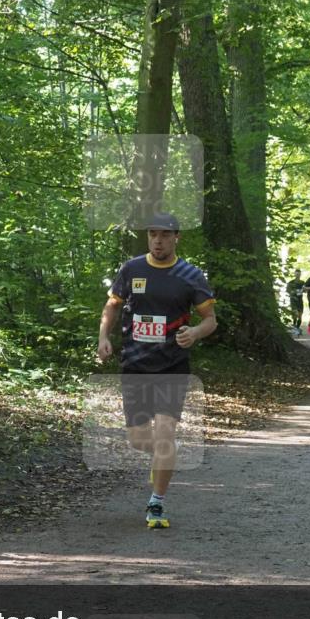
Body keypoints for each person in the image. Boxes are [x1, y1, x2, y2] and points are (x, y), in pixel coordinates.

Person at [98, 213, 217, 528]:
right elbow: (112, 305)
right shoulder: (132, 269)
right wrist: (103, 337)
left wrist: (195, 333)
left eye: (165, 235)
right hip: (135, 365)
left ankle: (156, 504)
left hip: (172, 365)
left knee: (164, 433)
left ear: (177, 237)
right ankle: (165, 456)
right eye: (153, 234)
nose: (158, 240)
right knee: (138, 439)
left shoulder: (190, 275)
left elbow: (210, 320)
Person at [286, 269, 305, 336]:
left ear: (300, 275)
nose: (298, 275)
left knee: (300, 316)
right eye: (296, 274)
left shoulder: (302, 282)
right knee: (295, 314)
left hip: (300, 300)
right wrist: (294, 291)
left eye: (299, 274)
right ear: (294, 274)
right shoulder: (291, 282)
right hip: (293, 300)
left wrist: (304, 290)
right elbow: (288, 291)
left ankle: (297, 328)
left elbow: (305, 290)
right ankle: (294, 328)